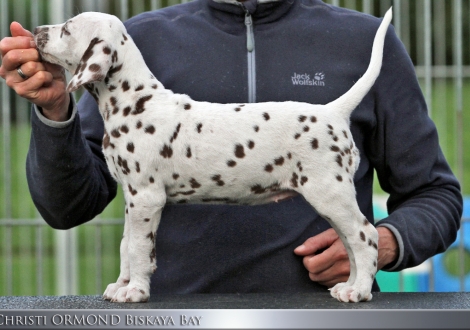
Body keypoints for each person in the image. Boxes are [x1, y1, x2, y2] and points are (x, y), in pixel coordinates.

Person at [0, 0, 463, 294]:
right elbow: (67, 208)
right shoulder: (138, 40)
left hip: (327, 318)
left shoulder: (360, 42)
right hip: (173, 319)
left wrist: (384, 242)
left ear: (93, 62)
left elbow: (437, 195)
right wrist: (57, 109)